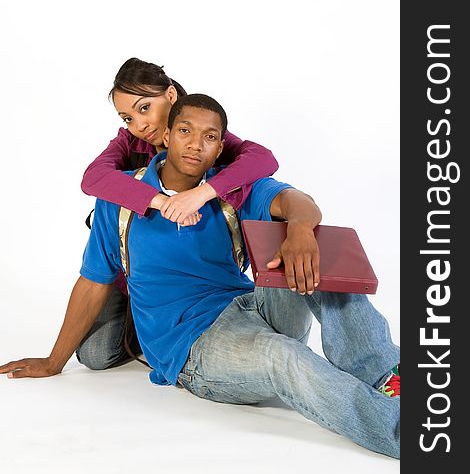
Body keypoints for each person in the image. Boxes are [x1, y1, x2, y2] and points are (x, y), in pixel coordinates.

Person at [0, 94, 400, 459]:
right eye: (186, 132)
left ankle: (387, 375)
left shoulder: (228, 189)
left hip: (250, 308)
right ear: (167, 134)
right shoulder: (122, 197)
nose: (195, 144)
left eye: (209, 136)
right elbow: (92, 282)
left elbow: (298, 202)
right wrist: (55, 361)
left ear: (220, 147)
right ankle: (407, 435)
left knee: (315, 255)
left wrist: (298, 230)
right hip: (193, 344)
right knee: (286, 357)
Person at [81, 57, 280, 367]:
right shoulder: (130, 142)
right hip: (137, 272)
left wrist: (201, 194)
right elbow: (93, 178)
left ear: (170, 96)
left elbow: (263, 159)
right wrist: (161, 202)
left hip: (200, 275)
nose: (139, 125)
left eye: (144, 108)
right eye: (127, 117)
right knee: (94, 355)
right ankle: (152, 324)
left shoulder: (202, 134)